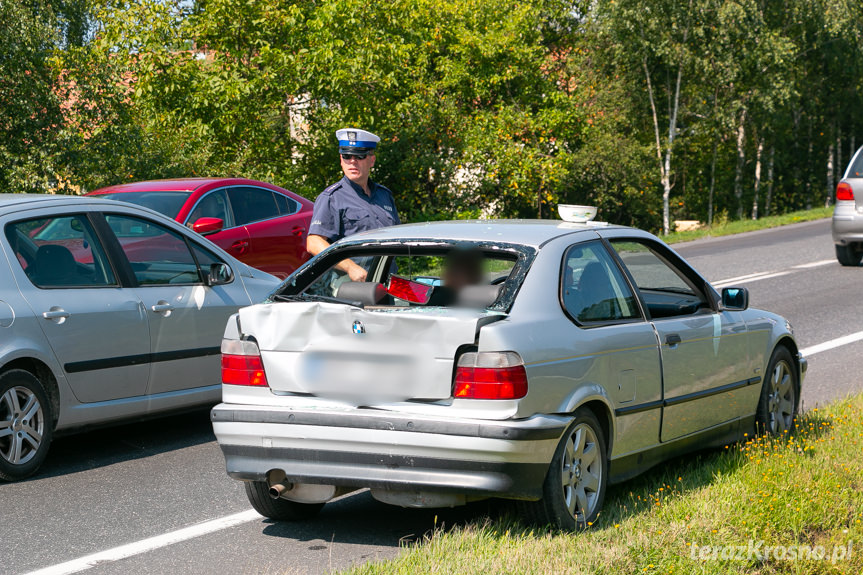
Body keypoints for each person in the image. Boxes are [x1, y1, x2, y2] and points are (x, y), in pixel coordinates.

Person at [307, 128, 400, 283]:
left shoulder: (385, 196)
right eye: (346, 156)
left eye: (359, 156)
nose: (352, 161)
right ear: (340, 160)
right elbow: (314, 242)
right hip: (351, 286)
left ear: (372, 160)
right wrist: (350, 267)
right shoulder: (332, 198)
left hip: (387, 282)